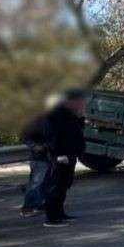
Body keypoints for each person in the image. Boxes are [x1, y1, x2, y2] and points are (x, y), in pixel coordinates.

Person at [42, 89, 87, 228]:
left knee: (64, 185)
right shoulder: (55, 114)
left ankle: (60, 213)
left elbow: (76, 131)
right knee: (55, 186)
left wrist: (80, 117)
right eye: (79, 101)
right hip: (60, 155)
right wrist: (58, 153)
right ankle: (52, 218)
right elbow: (53, 136)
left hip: (70, 154)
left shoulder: (69, 114)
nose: (81, 104)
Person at [18, 106, 52, 217]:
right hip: (38, 156)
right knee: (36, 182)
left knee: (45, 182)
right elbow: (24, 136)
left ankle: (41, 203)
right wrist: (35, 146)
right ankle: (28, 207)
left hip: (48, 154)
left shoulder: (48, 118)